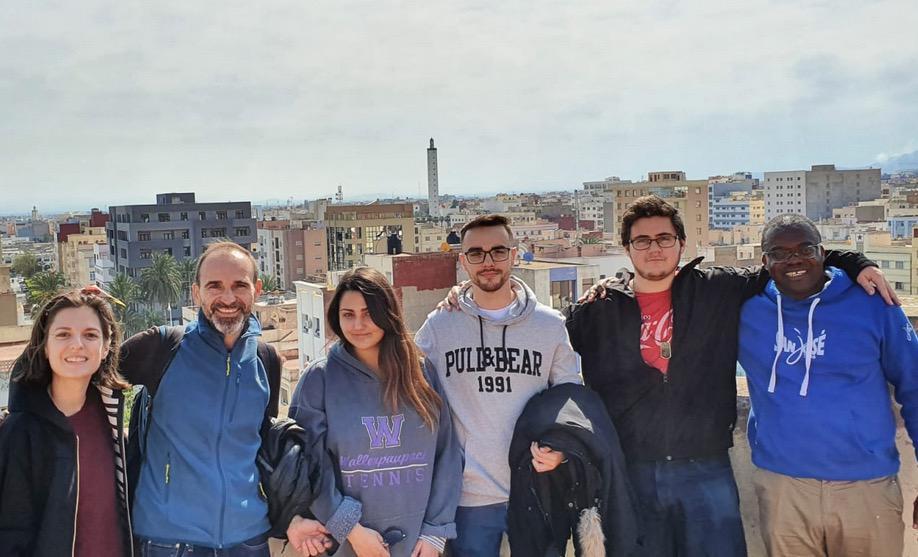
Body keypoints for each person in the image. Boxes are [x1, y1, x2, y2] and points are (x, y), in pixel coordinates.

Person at [565, 195, 894, 556]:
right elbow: (555, 366)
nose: (654, 248)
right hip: (631, 472)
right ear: (627, 248)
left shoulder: (717, 289)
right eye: (642, 240)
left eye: (664, 238)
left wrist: (854, 260)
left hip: (705, 469)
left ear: (682, 244)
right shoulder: (597, 311)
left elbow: (789, 260)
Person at [119, 241, 328, 556]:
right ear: (196, 293)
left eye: (239, 285)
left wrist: (292, 516)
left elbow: (261, 450)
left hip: (249, 541)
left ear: (256, 290)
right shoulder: (161, 348)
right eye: (214, 286)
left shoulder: (266, 359)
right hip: (170, 542)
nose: (228, 298)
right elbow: (80, 373)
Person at [739, 214, 918, 557]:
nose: (794, 260)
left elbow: (914, 385)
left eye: (805, 249)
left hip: (867, 487)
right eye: (779, 253)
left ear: (823, 252)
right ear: (764, 262)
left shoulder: (872, 303)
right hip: (783, 489)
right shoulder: (746, 310)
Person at [416, 214, 582, 557]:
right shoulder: (440, 326)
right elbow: (410, 393)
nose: (488, 261)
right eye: (476, 253)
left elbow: (571, 398)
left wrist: (561, 448)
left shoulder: (549, 326)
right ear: (463, 262)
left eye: (498, 251)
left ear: (515, 255)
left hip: (537, 490)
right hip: (467, 500)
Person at [289, 266, 462, 557]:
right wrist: (352, 531)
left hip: (419, 545)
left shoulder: (420, 373)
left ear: (388, 313)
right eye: (348, 315)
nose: (358, 324)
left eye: (369, 313)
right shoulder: (319, 379)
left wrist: (435, 531)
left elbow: (448, 452)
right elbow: (310, 467)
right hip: (348, 545)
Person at [0, 288, 132, 556]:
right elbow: (10, 533)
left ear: (106, 348)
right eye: (63, 334)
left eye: (90, 335)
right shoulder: (20, 432)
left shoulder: (112, 424)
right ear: (45, 348)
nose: (77, 345)